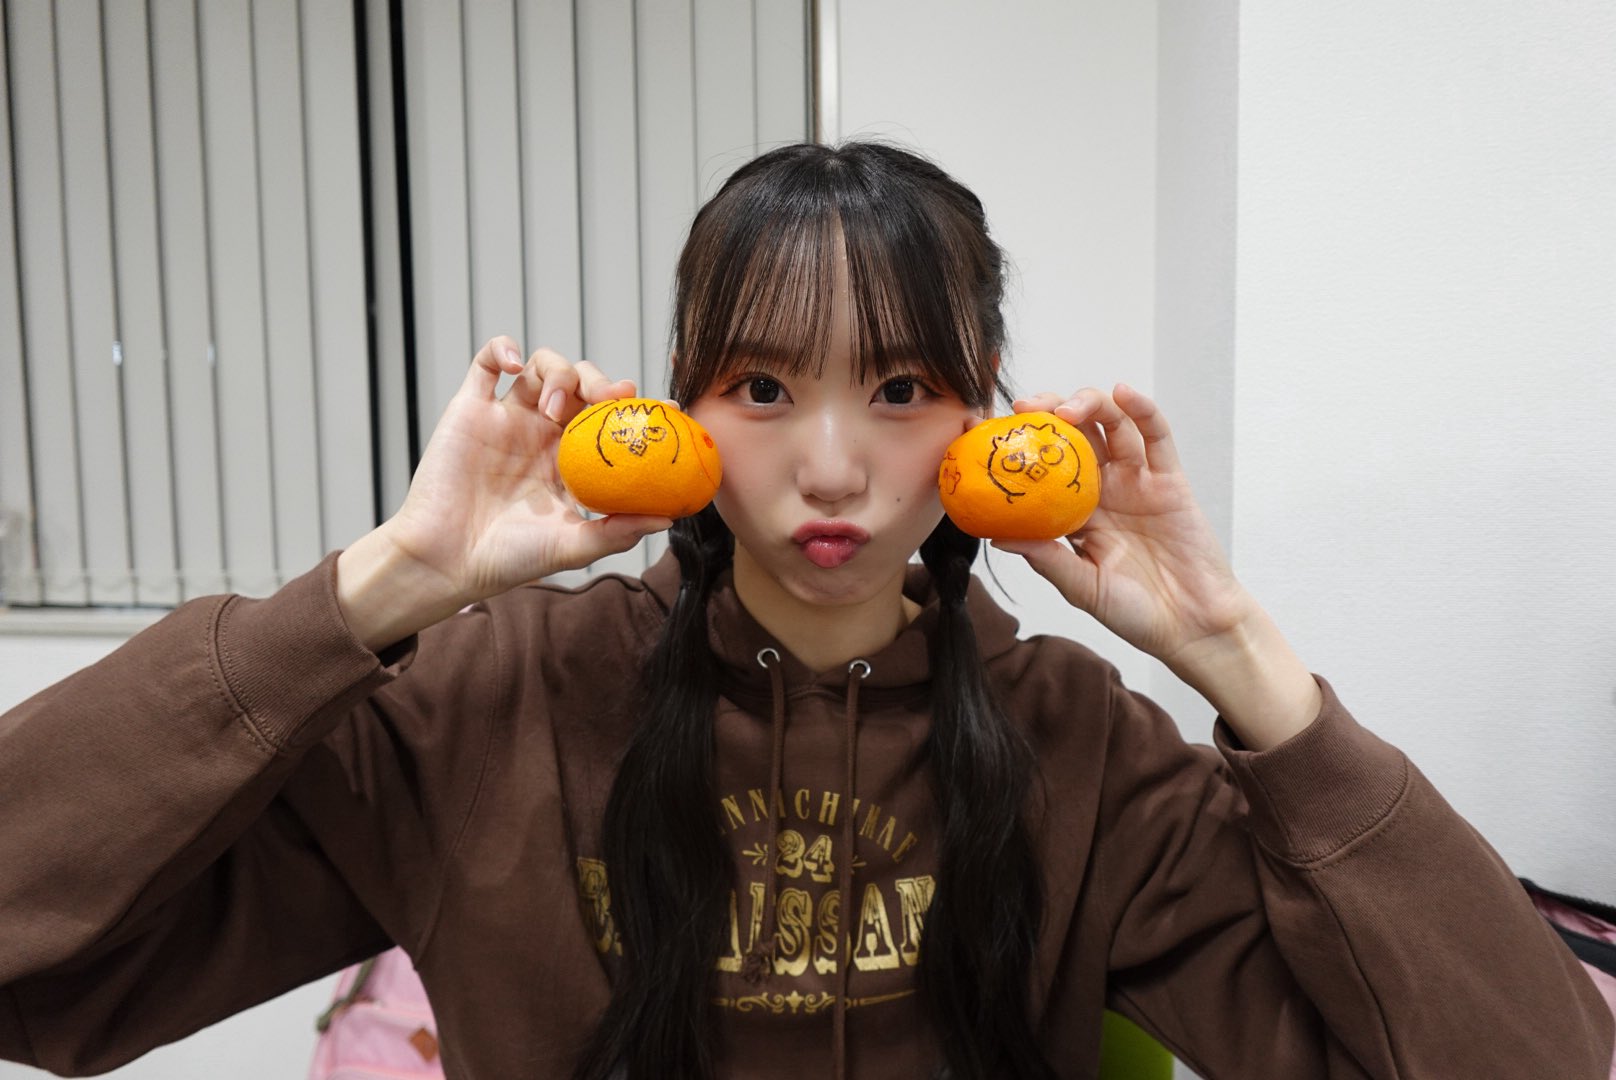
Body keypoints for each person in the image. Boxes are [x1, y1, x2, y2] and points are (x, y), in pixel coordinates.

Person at [0, 142, 1608, 1080]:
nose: (832, 466)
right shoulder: (489, 707)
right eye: (764, 387)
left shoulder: (1076, 746)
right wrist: (392, 583)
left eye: (900, 389)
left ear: (984, 422)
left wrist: (1235, 652)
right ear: (681, 409)